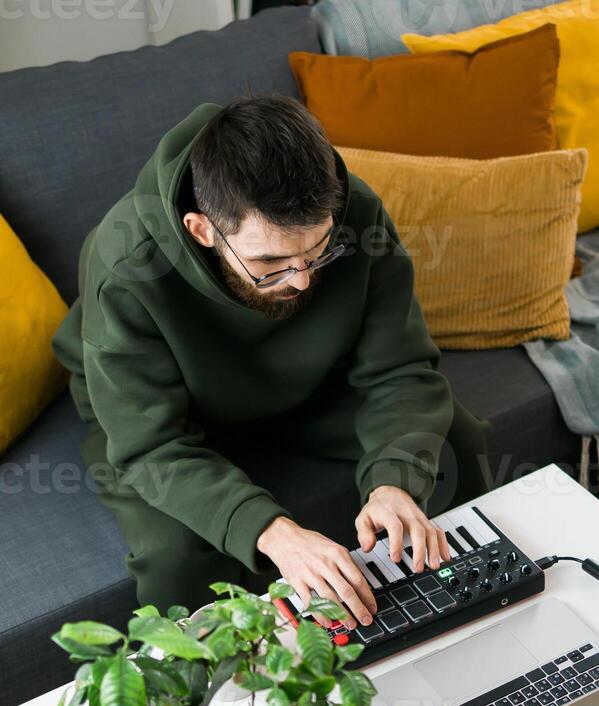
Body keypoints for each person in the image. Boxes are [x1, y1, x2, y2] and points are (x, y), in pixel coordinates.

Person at [52, 95, 491, 629]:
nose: (302, 280)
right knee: (173, 559)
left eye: (317, 251)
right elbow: (151, 447)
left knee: (453, 444)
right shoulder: (124, 267)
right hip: (156, 421)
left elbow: (400, 371)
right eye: (270, 263)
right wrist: (274, 532)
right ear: (202, 230)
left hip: (307, 385)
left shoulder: (360, 214)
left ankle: (468, 612)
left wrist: (395, 483)